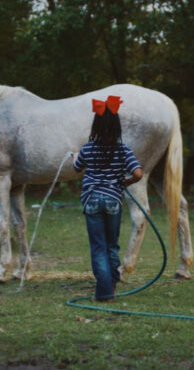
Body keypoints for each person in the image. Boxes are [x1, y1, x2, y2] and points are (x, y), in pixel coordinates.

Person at [73, 95, 143, 302]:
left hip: (92, 200)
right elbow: (138, 173)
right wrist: (125, 183)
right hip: (113, 200)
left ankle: (103, 292)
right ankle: (110, 285)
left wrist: (75, 157)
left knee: (98, 247)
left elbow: (77, 168)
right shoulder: (123, 150)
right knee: (112, 245)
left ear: (95, 126)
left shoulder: (87, 149)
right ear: (117, 127)